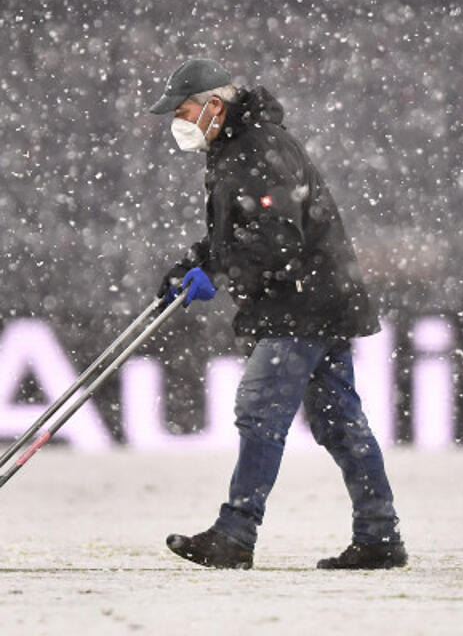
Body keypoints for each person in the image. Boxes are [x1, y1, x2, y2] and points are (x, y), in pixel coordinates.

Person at [150, 58, 407, 570]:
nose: (178, 123)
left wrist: (218, 273)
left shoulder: (256, 150)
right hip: (318, 299)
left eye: (183, 111)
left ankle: (236, 533)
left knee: (260, 411)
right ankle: (379, 535)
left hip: (301, 304)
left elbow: (276, 240)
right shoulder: (236, 148)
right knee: (340, 423)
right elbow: (240, 232)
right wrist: (195, 262)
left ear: (214, 106)